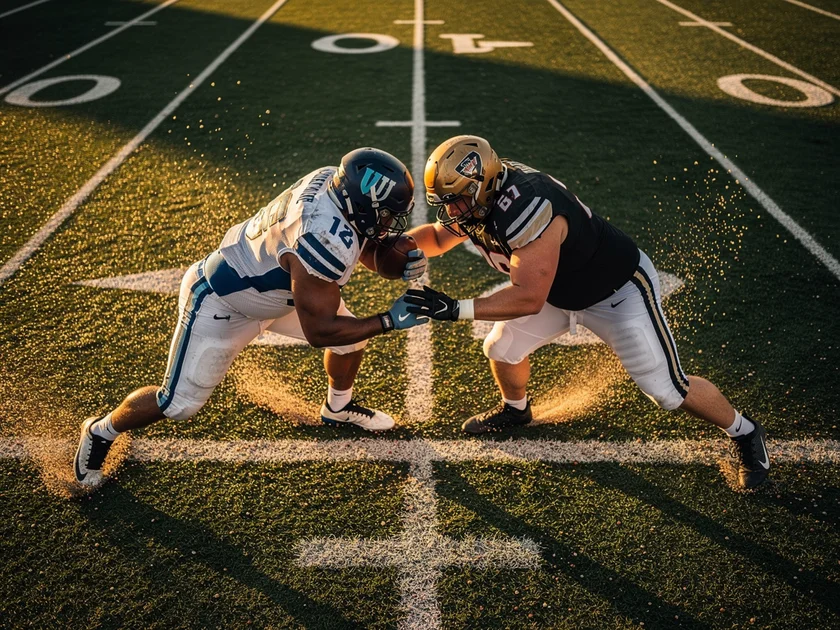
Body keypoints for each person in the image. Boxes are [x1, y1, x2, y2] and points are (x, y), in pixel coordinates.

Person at [405, 135, 769, 489]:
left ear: (483, 186)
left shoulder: (528, 206)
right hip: (558, 290)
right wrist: (393, 247)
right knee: (501, 349)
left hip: (615, 292)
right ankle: (516, 409)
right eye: (447, 201)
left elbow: (528, 297)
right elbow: (438, 238)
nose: (452, 211)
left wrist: (455, 308)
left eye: (458, 201)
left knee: (667, 390)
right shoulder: (482, 197)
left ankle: (744, 431)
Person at [74, 148, 430, 487]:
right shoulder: (320, 237)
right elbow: (320, 331)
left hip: (279, 292)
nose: (389, 223)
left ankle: (338, 408)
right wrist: (389, 320)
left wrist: (395, 264)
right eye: (384, 214)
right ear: (361, 204)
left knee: (353, 338)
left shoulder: (332, 183)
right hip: (225, 303)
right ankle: (101, 431)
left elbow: (362, 241)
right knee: (178, 404)